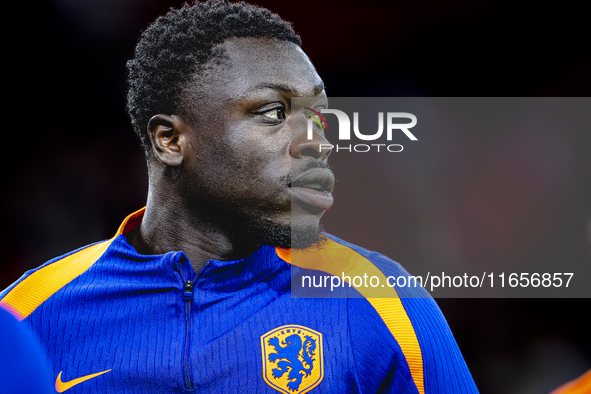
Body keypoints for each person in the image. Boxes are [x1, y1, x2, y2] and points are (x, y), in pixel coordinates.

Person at [0, 1, 478, 393]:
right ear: (170, 140)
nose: (316, 140)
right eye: (273, 112)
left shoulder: (381, 300)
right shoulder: (28, 315)